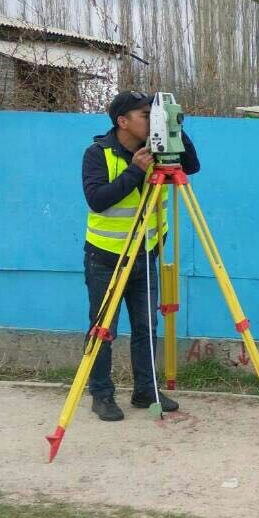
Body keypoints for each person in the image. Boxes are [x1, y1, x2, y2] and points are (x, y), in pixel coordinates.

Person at [82, 91, 201, 421]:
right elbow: (97, 199)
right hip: (106, 257)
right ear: (123, 122)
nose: (152, 121)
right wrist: (134, 171)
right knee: (103, 329)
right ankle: (102, 394)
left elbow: (192, 165)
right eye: (146, 116)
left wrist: (173, 127)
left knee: (146, 327)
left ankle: (145, 391)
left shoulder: (160, 151)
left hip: (144, 255)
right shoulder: (98, 154)